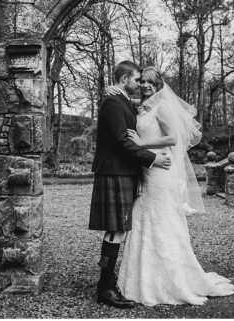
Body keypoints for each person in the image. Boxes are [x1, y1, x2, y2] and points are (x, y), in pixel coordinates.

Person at [112, 66, 234, 306]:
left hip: (161, 172)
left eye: (151, 82)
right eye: (143, 82)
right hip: (147, 170)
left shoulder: (162, 107)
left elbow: (173, 138)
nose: (146, 86)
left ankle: (171, 280)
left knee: (160, 219)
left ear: (159, 85)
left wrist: (142, 143)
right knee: (144, 218)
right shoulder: (144, 108)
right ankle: (141, 278)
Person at [88, 60, 173, 309]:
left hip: (122, 173)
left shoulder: (120, 99)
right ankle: (104, 287)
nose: (139, 84)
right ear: (125, 78)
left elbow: (144, 109)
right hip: (115, 172)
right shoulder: (113, 102)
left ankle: (107, 283)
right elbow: (119, 141)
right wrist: (153, 158)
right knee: (116, 229)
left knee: (119, 228)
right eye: (137, 79)